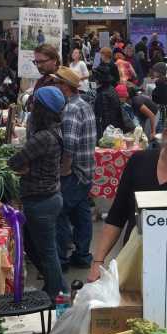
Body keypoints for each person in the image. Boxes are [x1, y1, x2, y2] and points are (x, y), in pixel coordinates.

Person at [87, 104, 167, 283]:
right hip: (133, 266)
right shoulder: (139, 162)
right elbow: (116, 217)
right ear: (166, 135)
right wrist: (98, 262)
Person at [8, 86, 67, 300]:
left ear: (41, 108)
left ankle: (59, 294)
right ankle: (54, 289)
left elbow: (14, 162)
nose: (31, 106)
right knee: (40, 248)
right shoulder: (54, 130)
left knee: (48, 252)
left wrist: (24, 167)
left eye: (34, 103)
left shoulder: (43, 137)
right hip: (49, 197)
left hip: (41, 201)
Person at [53, 67, 97, 270]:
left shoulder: (71, 108)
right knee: (82, 213)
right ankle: (82, 255)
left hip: (75, 172)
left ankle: (61, 260)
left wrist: (64, 170)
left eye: (57, 84)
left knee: (60, 212)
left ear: (65, 87)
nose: (54, 87)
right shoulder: (84, 104)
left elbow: (69, 145)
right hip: (86, 170)